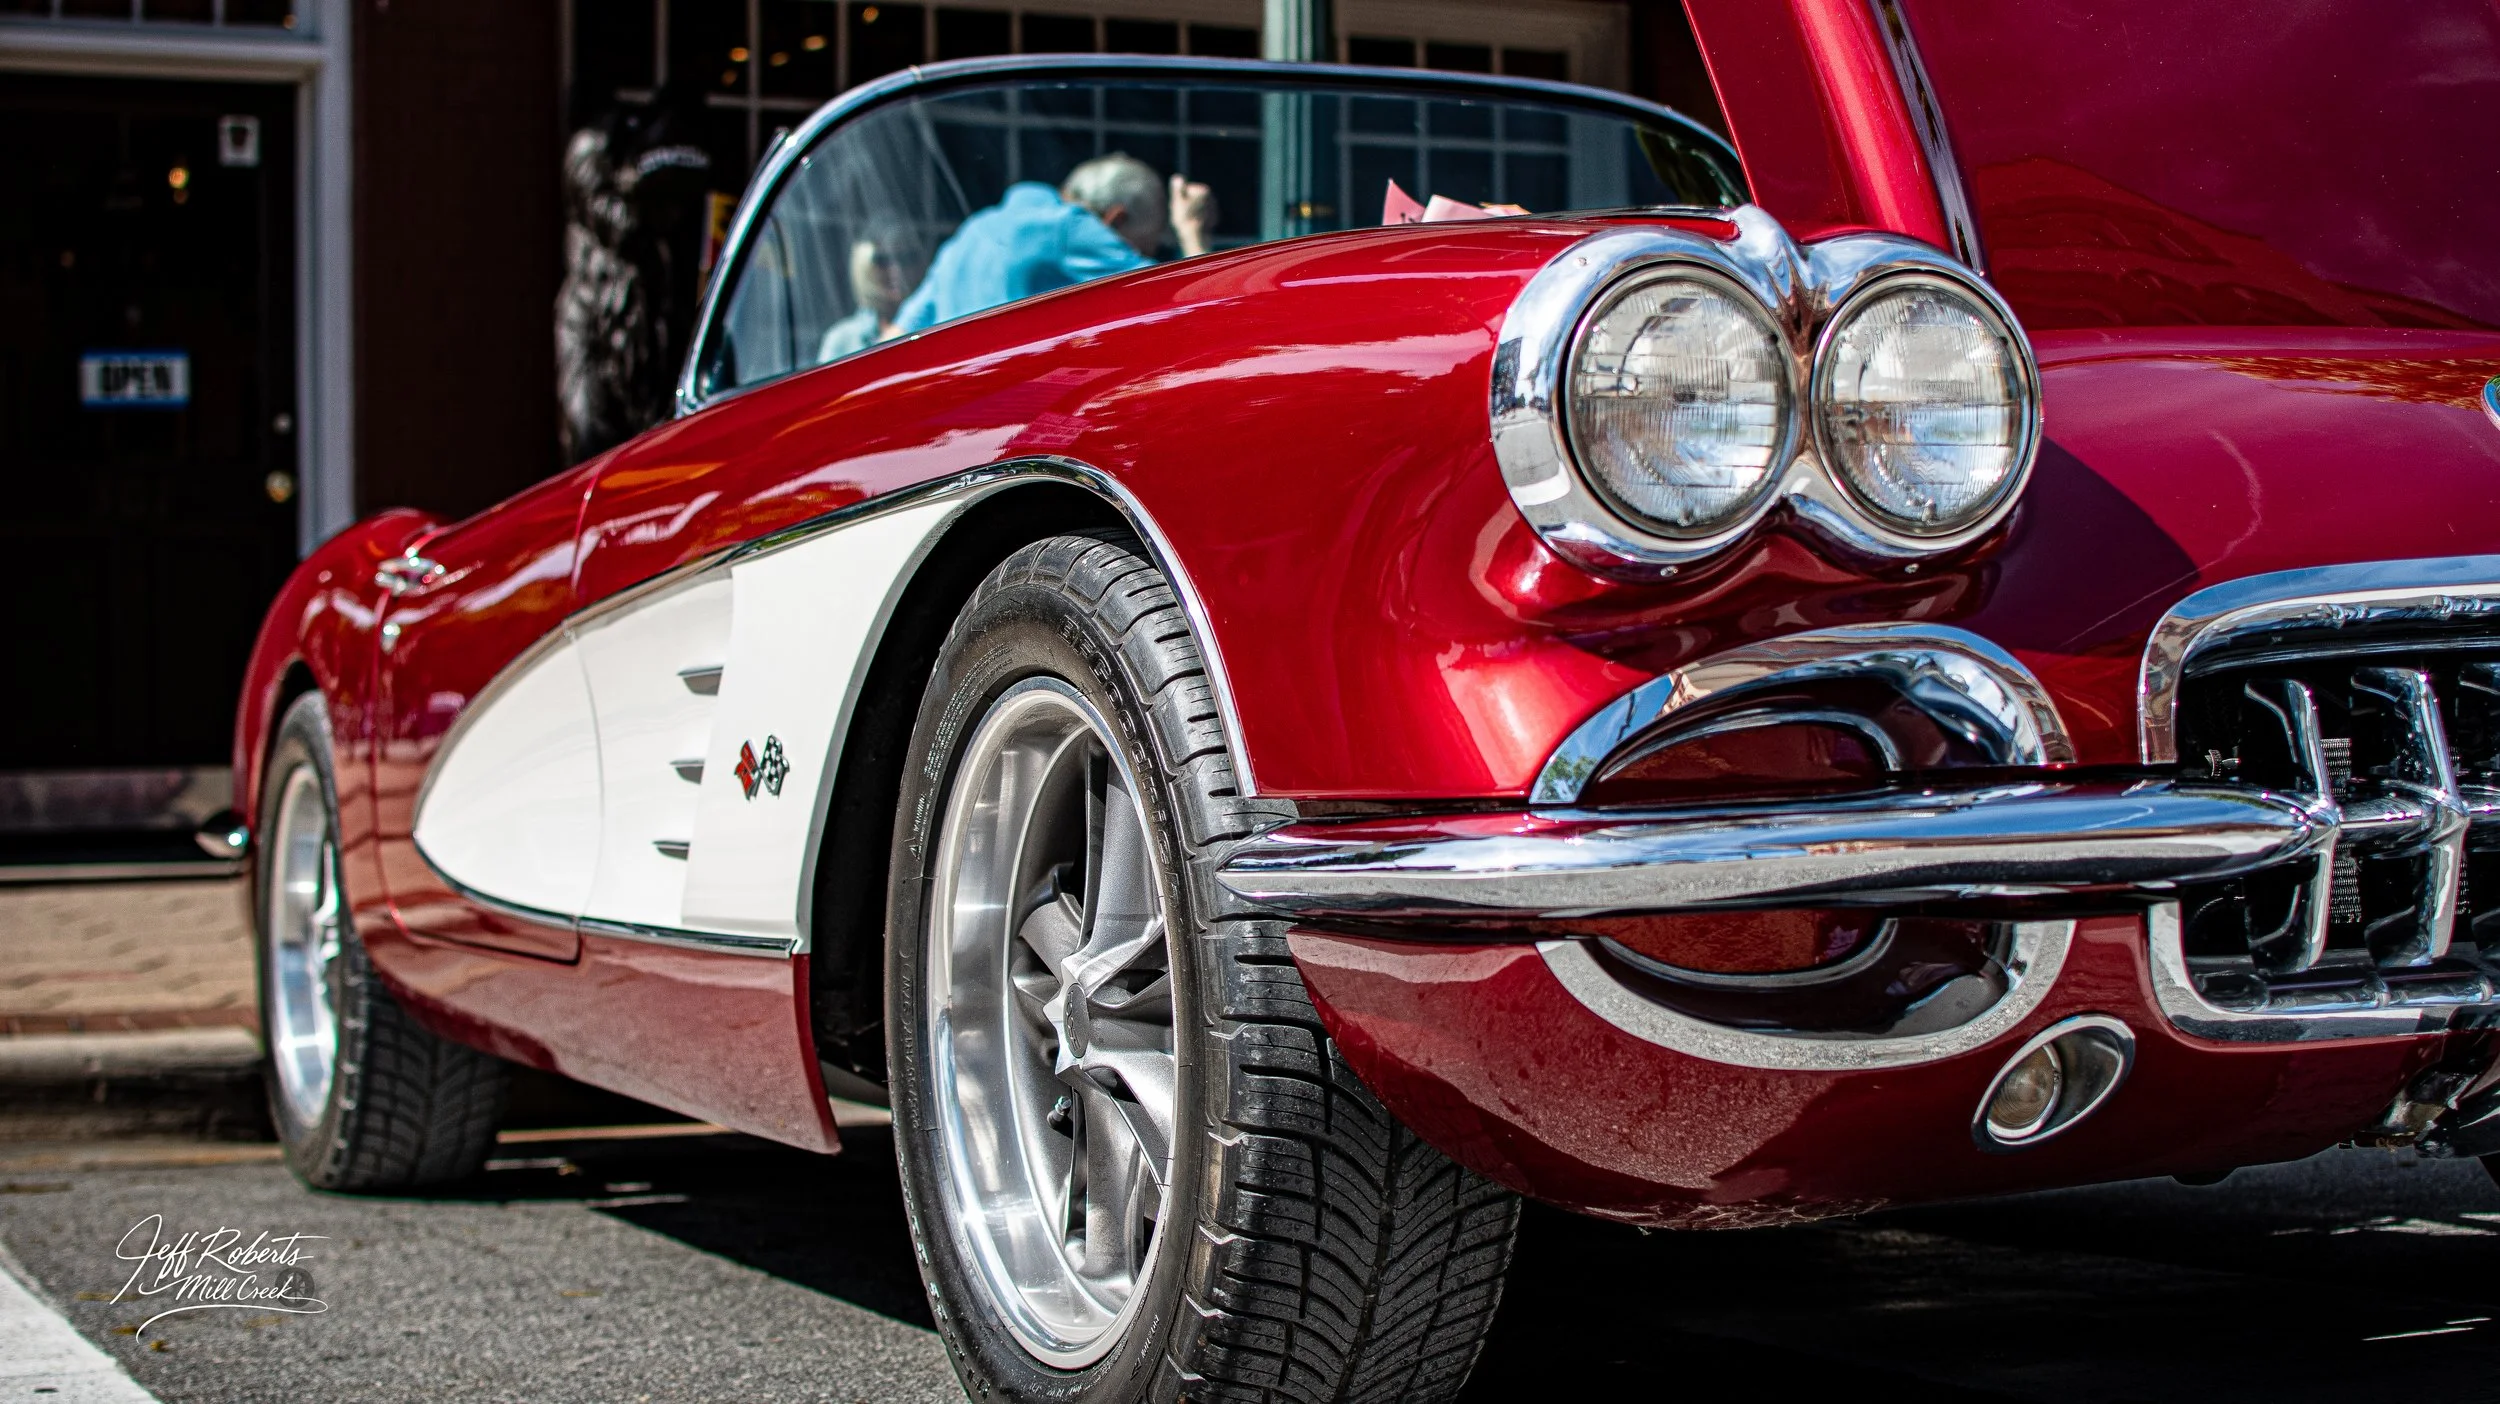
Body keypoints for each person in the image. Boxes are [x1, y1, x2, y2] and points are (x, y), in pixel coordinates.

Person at [890, 152, 1214, 334]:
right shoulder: (1070, 226)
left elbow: (897, 335)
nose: (1130, 258)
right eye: (1142, 249)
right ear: (1115, 220)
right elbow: (1190, 308)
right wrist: (1191, 231)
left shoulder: (974, 230)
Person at [815, 222, 929, 363]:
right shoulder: (843, 340)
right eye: (882, 261)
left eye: (907, 258)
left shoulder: (939, 322)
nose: (897, 270)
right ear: (862, 267)